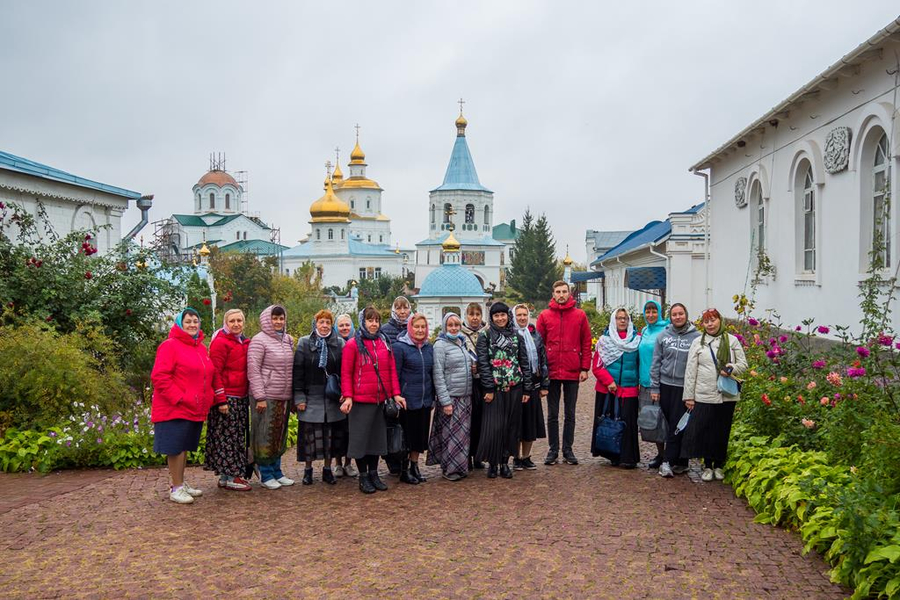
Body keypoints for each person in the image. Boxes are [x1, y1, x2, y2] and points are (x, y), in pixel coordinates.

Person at [151, 308, 217, 504]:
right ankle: (176, 487)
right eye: (188, 321)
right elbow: (160, 376)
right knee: (176, 448)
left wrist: (209, 396)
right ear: (180, 323)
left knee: (184, 447)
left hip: (192, 407)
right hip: (174, 407)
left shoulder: (200, 347)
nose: (192, 325)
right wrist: (179, 398)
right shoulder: (170, 346)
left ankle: (180, 482)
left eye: (195, 321)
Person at [341, 306, 406, 494]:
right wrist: (348, 397)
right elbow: (346, 373)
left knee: (377, 441)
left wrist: (395, 394)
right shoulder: (353, 345)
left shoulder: (384, 342)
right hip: (361, 401)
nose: (374, 324)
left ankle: (374, 474)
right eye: (370, 320)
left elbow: (391, 371)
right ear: (363, 322)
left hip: (380, 400)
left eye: (377, 320)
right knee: (361, 441)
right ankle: (363, 476)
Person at [681, 308, 747, 482]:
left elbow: (743, 364)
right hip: (704, 393)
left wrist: (731, 367)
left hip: (726, 394)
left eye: (713, 320)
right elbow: (690, 371)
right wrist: (689, 396)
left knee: (722, 430)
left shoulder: (731, 341)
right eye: (706, 321)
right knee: (705, 430)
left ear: (720, 320)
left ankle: (719, 465)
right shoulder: (698, 343)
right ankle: (707, 465)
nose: (710, 324)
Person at [536, 281, 592, 466]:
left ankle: (568, 449)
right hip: (551, 370)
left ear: (569, 293)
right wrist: (540, 371)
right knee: (552, 413)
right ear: (553, 294)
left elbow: (586, 341)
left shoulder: (579, 315)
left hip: (571, 369)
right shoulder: (545, 316)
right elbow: (539, 345)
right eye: (558, 292)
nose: (561, 294)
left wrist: (584, 368)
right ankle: (553, 449)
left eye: (564, 291)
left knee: (570, 413)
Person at [475, 302, 533, 479]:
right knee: (494, 427)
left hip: (514, 387)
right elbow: (483, 364)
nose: (500, 318)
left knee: (511, 427)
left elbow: (524, 362)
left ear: (508, 315)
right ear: (492, 318)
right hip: (495, 389)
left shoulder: (517, 335)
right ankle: (493, 463)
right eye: (496, 315)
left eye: (503, 315)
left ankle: (505, 462)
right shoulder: (485, 336)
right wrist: (488, 388)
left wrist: (527, 389)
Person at [293, 310, 347, 486]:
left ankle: (327, 469)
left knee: (330, 437)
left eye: (327, 322)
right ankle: (308, 470)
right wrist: (299, 397)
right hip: (311, 395)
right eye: (321, 322)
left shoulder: (339, 343)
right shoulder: (304, 343)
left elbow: (344, 372)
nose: (324, 326)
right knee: (310, 436)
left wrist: (345, 394)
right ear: (315, 323)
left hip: (332, 396)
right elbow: (298, 372)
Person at [248, 305, 295, 489]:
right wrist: (260, 396)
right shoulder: (259, 341)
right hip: (265, 396)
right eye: (275, 318)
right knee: (264, 435)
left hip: (282, 395)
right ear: (268, 319)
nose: (278, 322)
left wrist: (291, 395)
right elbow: (253, 370)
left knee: (279, 434)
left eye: (281, 318)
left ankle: (277, 470)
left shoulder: (287, 340)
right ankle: (265, 473)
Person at [650, 303, 700, 478]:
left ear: (686, 315)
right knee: (671, 424)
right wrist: (655, 386)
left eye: (681, 314)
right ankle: (681, 461)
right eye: (674, 314)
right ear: (670, 317)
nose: (678, 317)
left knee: (679, 425)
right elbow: (656, 362)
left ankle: (668, 462)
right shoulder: (663, 336)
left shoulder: (696, 337)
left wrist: (693, 392)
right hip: (665, 385)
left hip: (684, 387)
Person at [205, 308, 252, 492]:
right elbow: (214, 372)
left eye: (239, 320)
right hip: (227, 397)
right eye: (232, 321)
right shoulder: (221, 343)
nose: (236, 324)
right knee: (229, 438)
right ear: (226, 323)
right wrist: (220, 399)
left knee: (234, 437)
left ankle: (226, 476)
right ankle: (233, 476)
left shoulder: (244, 342)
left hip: (240, 396)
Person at [591, 308, 641, 468]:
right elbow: (597, 366)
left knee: (628, 424)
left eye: (625, 318)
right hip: (608, 389)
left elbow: (641, 363)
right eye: (619, 318)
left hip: (629, 388)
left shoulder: (636, 340)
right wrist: (609, 382)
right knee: (609, 421)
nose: (622, 321)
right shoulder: (605, 341)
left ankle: (628, 457)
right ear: (614, 320)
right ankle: (611, 454)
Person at [428, 312, 473, 481]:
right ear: (445, 326)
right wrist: (445, 401)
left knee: (462, 435)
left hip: (465, 396)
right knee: (451, 435)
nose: (454, 328)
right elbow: (438, 374)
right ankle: (450, 469)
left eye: (456, 325)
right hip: (451, 397)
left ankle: (460, 467)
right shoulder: (440, 345)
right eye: (450, 325)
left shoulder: (461, 343)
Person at [393, 313, 435, 485]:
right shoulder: (400, 347)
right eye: (416, 326)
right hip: (406, 400)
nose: (420, 330)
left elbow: (432, 373)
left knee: (419, 437)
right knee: (407, 437)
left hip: (424, 399)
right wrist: (397, 394)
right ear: (410, 328)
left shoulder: (428, 348)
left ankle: (414, 466)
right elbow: (394, 373)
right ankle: (403, 469)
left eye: (423, 327)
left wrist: (433, 396)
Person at [512, 304, 548, 470]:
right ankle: (516, 456)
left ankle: (526, 456)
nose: (522, 318)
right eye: (518, 315)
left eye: (524, 315)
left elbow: (542, 359)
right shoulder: (511, 335)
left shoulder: (535, 335)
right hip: (517, 386)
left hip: (533, 384)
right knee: (517, 422)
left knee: (531, 422)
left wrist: (544, 384)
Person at [380, 296, 411, 475]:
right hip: (389, 385)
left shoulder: (413, 327)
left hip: (408, 385)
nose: (402, 312)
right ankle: (392, 460)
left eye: (405, 308)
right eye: (398, 308)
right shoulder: (385, 330)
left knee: (406, 426)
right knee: (391, 423)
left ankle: (405, 460)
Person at [637, 300, 669, 469]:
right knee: (652, 420)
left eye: (654, 311)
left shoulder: (666, 330)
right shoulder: (644, 330)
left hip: (661, 382)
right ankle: (661, 454)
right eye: (647, 311)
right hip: (645, 382)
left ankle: (669, 456)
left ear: (659, 312)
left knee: (664, 419)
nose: (650, 315)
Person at [332, 313, 358, 478]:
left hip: (353, 393)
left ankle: (349, 463)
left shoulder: (356, 343)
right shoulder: (332, 343)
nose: (344, 328)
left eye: (347, 325)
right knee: (337, 430)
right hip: (336, 393)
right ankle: (338, 464)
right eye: (341, 325)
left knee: (351, 430)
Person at [460, 302, 485, 470]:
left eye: (477, 314)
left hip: (483, 381)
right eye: (471, 314)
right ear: (466, 316)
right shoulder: (460, 334)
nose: (475, 317)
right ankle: (466, 456)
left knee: (480, 420)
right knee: (467, 421)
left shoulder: (487, 333)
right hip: (467, 381)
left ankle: (478, 455)